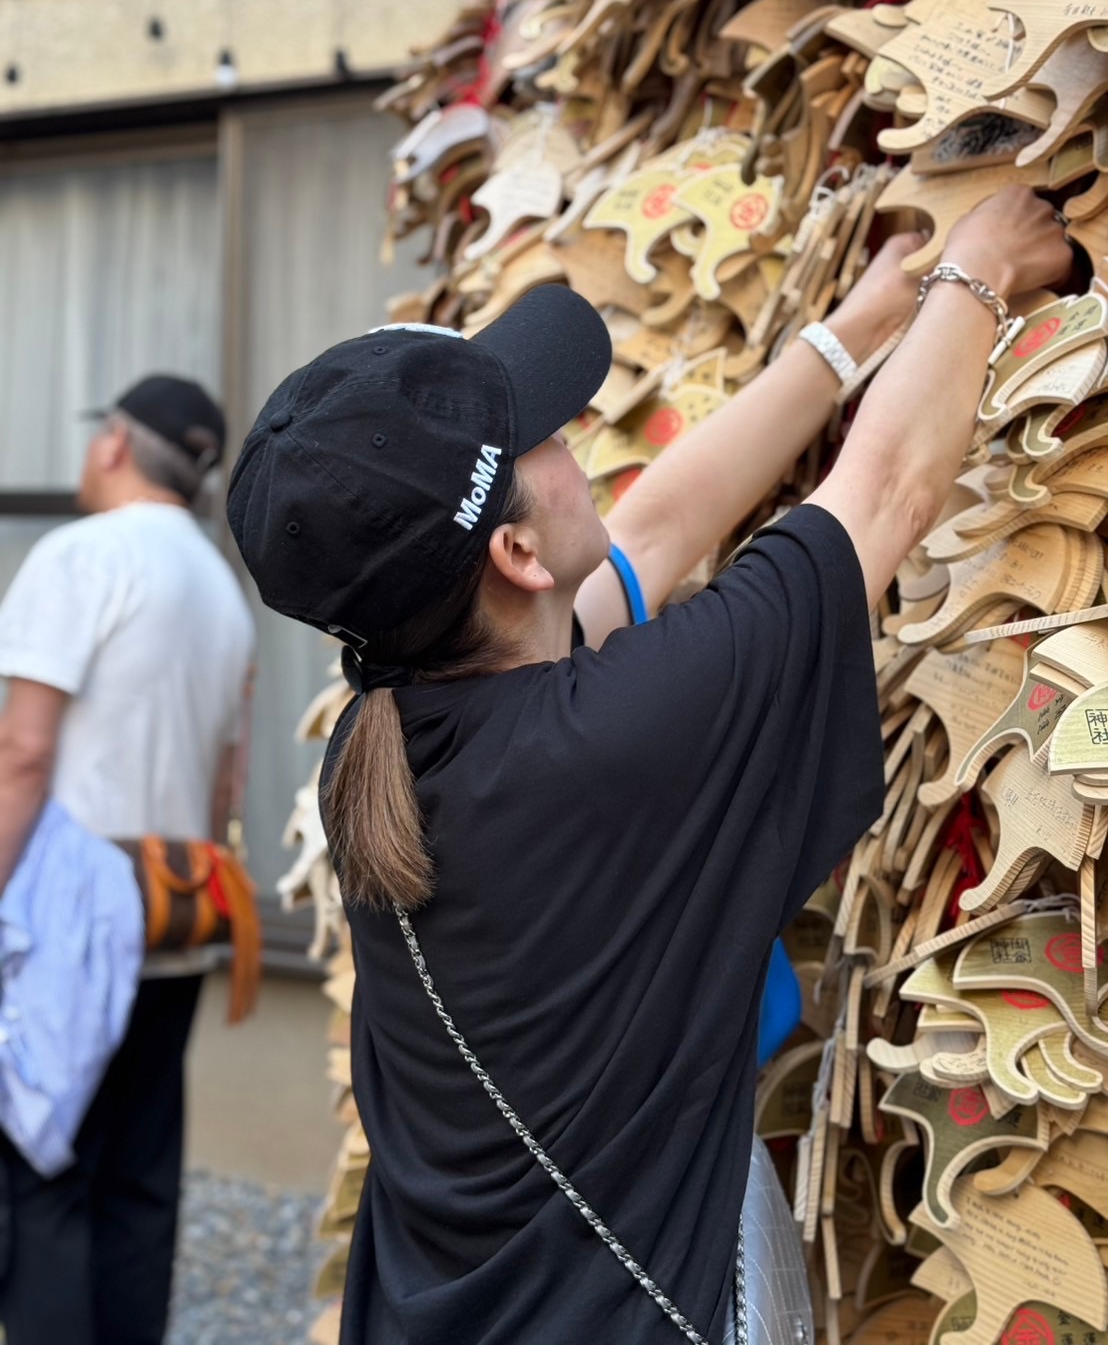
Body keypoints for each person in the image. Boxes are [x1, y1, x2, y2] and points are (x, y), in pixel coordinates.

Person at [229, 187, 1070, 1345]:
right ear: (517, 553)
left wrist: (857, 329)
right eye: (557, 443)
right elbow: (884, 492)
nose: (587, 456)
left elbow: (660, 531)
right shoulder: (620, 736)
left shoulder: (386, 735)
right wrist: (974, 269)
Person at [0, 375, 256, 1345]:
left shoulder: (78, 558)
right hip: (177, 913)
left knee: (47, 1181)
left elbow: (22, 752)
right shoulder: (218, 584)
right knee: (137, 1189)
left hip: (69, 923)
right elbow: (227, 782)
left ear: (114, 443)